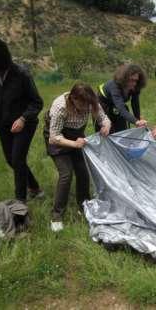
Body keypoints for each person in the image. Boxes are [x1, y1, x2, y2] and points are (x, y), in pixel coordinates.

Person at [0, 37, 43, 202]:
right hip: (3, 124)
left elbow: (36, 102)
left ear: (1, 56)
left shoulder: (21, 74)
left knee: (18, 159)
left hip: (25, 124)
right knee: (11, 160)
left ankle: (20, 204)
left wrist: (23, 119)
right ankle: (35, 188)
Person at [44, 83, 111, 232]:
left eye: (89, 105)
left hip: (77, 136)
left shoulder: (90, 103)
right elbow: (54, 137)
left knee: (82, 171)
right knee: (66, 174)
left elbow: (104, 118)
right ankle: (56, 216)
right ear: (73, 99)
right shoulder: (60, 107)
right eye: (83, 105)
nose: (87, 109)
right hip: (58, 139)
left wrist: (106, 126)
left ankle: (84, 206)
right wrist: (74, 144)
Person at [96, 64, 147, 133]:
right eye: (131, 80)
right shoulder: (114, 86)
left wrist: (138, 120)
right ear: (125, 78)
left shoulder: (135, 86)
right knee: (106, 131)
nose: (134, 83)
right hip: (102, 106)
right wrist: (136, 122)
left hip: (115, 105)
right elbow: (121, 109)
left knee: (122, 130)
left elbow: (135, 104)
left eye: (136, 80)